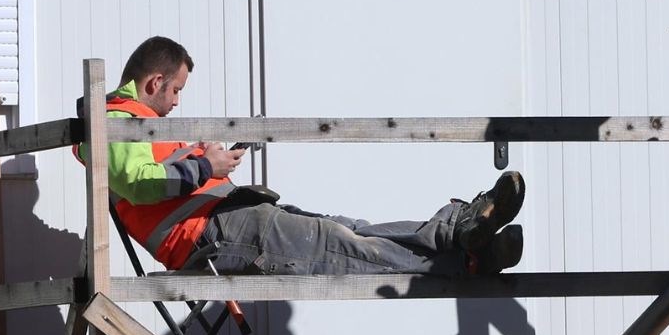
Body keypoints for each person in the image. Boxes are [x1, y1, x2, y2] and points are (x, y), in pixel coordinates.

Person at [78, 36, 524, 277]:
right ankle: (470, 256)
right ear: (154, 82)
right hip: (210, 235)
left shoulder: (136, 123)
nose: (177, 102)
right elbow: (139, 182)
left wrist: (215, 158)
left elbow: (159, 174)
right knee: (338, 243)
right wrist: (205, 165)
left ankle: (461, 229)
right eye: (176, 90)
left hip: (227, 217)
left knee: (350, 230)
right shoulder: (116, 122)